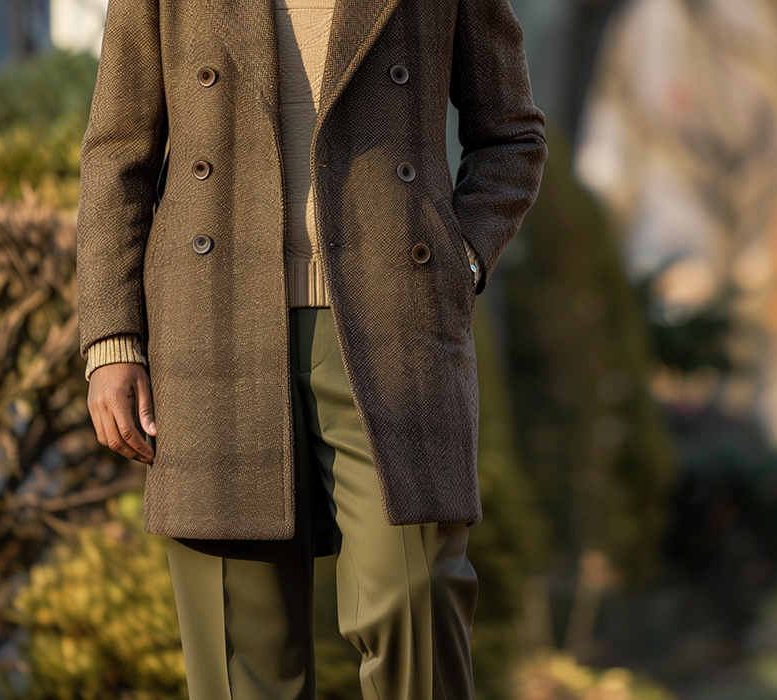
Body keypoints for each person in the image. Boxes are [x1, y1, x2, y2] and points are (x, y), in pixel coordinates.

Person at [77, 0, 547, 697]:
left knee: (414, 606)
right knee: (243, 655)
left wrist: (462, 259)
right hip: (212, 327)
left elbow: (510, 134)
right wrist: (112, 340)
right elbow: (117, 155)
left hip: (395, 326)